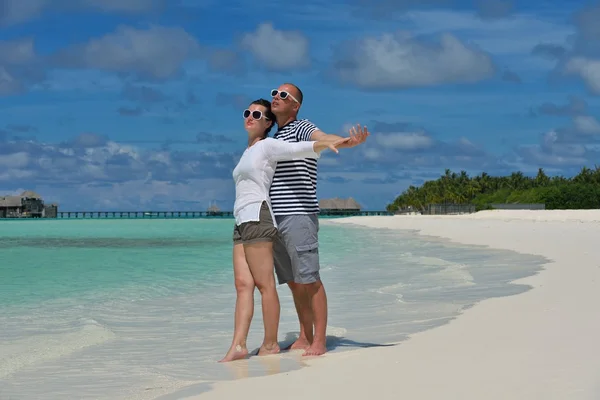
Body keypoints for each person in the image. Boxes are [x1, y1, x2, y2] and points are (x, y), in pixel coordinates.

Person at [220, 99, 350, 363]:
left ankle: (270, 344)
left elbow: (302, 148)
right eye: (247, 112)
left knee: (265, 284)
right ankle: (238, 346)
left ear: (268, 123)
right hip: (241, 220)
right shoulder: (247, 151)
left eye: (257, 114)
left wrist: (334, 142)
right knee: (243, 284)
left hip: (259, 215)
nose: (250, 116)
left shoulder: (269, 145)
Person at [269, 83, 369, 356]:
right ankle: (304, 335)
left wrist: (346, 142)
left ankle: (319, 341)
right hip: (275, 218)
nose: (276, 97)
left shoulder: (301, 127)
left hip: (299, 214)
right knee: (293, 281)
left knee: (310, 279)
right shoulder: (274, 136)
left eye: (284, 95)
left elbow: (322, 137)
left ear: (295, 106)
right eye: (274, 93)